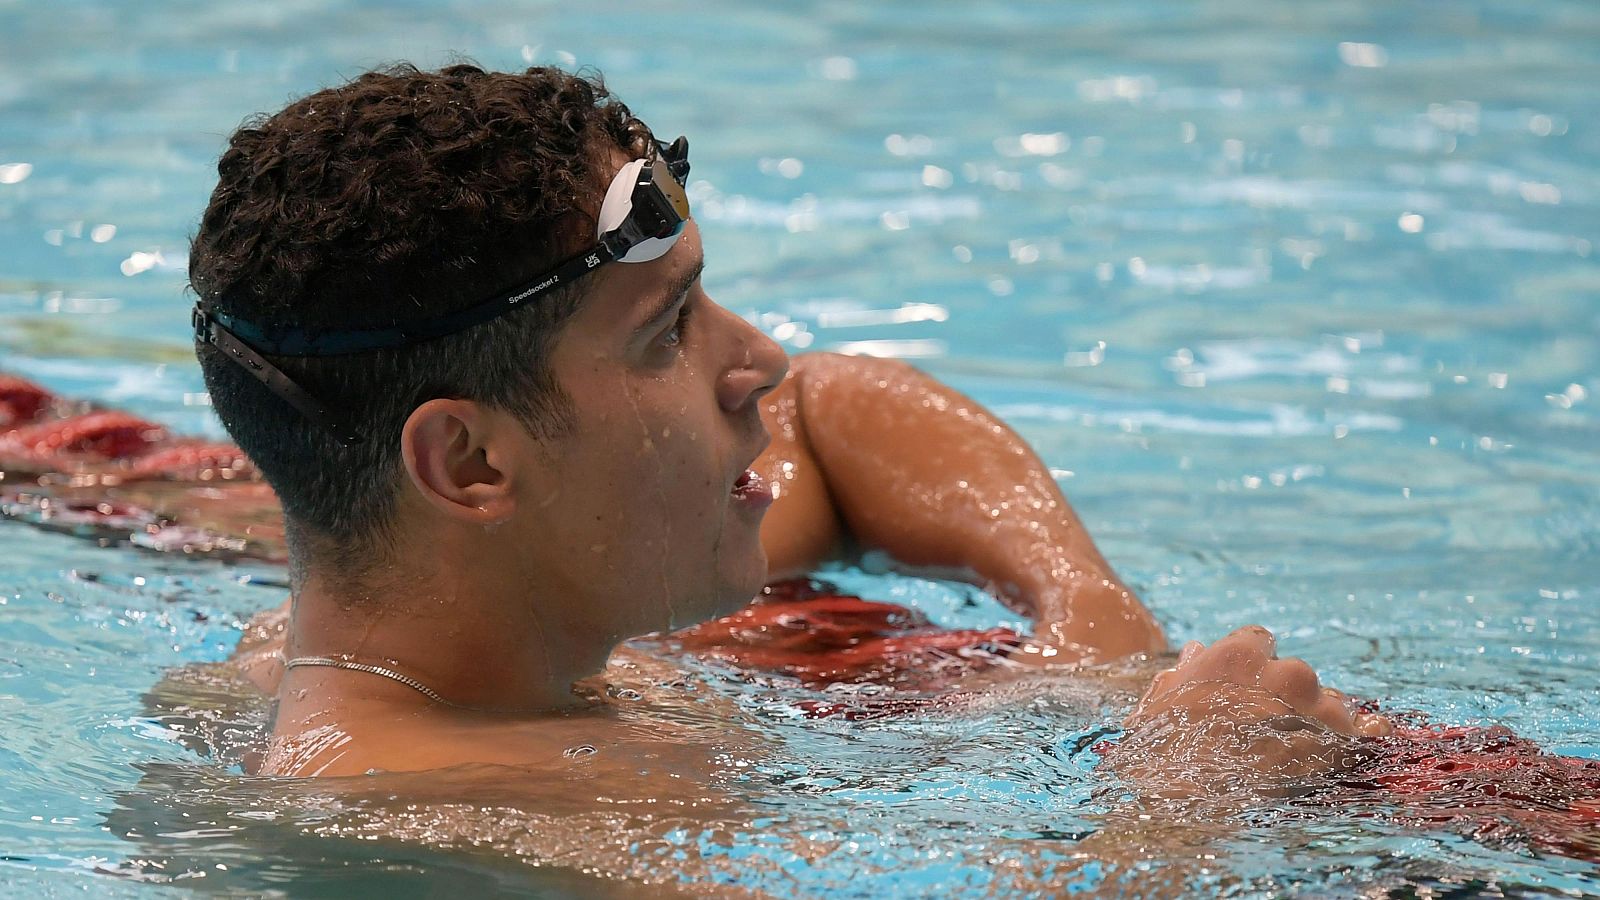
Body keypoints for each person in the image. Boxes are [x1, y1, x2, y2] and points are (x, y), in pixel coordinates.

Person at [181, 62, 1389, 782]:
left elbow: (827, 405)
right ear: (473, 462)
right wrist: (1184, 801)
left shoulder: (495, 658)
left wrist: (1081, 607)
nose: (757, 358)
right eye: (666, 328)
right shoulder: (434, 819)